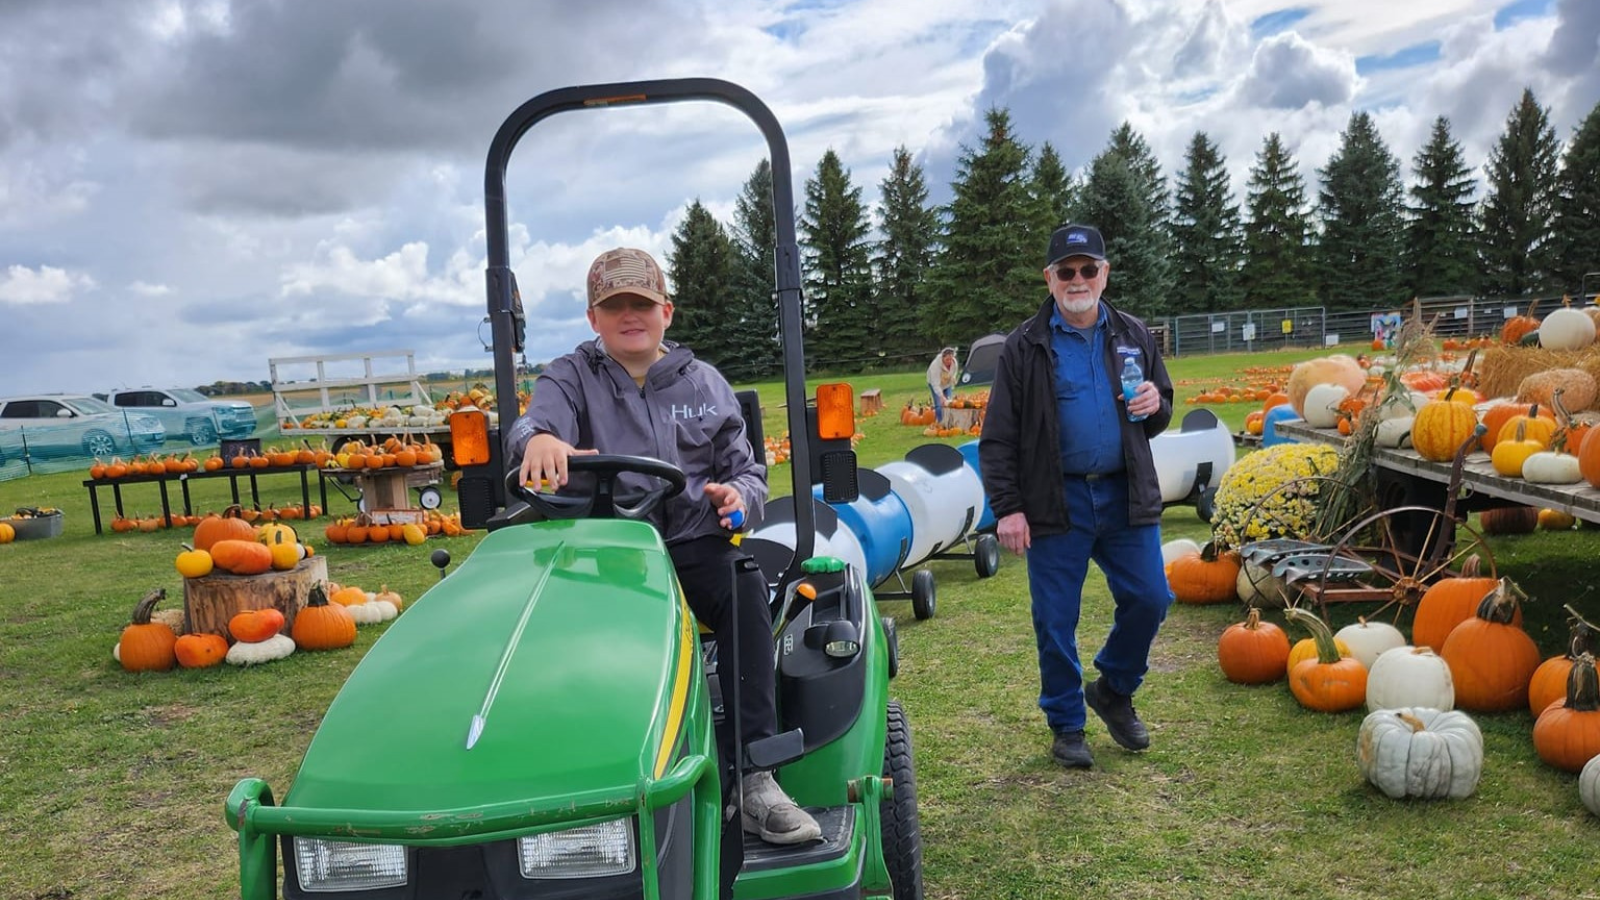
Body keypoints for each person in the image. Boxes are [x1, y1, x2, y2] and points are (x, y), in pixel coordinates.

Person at [506, 247, 822, 845]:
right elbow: (533, 424)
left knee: (745, 584)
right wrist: (539, 440)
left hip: (690, 544)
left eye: (642, 304)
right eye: (615, 305)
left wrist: (741, 499)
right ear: (594, 317)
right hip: (600, 551)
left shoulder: (705, 385)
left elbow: (749, 473)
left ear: (666, 312)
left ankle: (756, 777)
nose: (631, 315)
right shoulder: (569, 376)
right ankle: (554, 774)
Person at [977, 223, 1175, 770]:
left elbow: (1160, 411)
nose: (1079, 279)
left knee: (1151, 598)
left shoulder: (1133, 334)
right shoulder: (1024, 348)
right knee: (1055, 619)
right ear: (1050, 279)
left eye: (1089, 269)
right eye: (1067, 271)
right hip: (1054, 503)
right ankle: (1067, 723)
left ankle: (1113, 687)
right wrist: (1009, 509)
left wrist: (1156, 403)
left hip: (1124, 494)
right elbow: (996, 439)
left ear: (1105, 274)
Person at [926, 346, 959, 423]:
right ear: (942, 358)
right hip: (935, 384)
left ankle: (950, 422)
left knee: (949, 402)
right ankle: (941, 423)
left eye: (951, 359)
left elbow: (954, 373)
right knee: (939, 404)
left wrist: (953, 379)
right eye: (947, 359)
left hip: (947, 384)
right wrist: (941, 396)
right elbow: (935, 384)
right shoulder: (935, 366)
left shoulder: (954, 363)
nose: (949, 361)